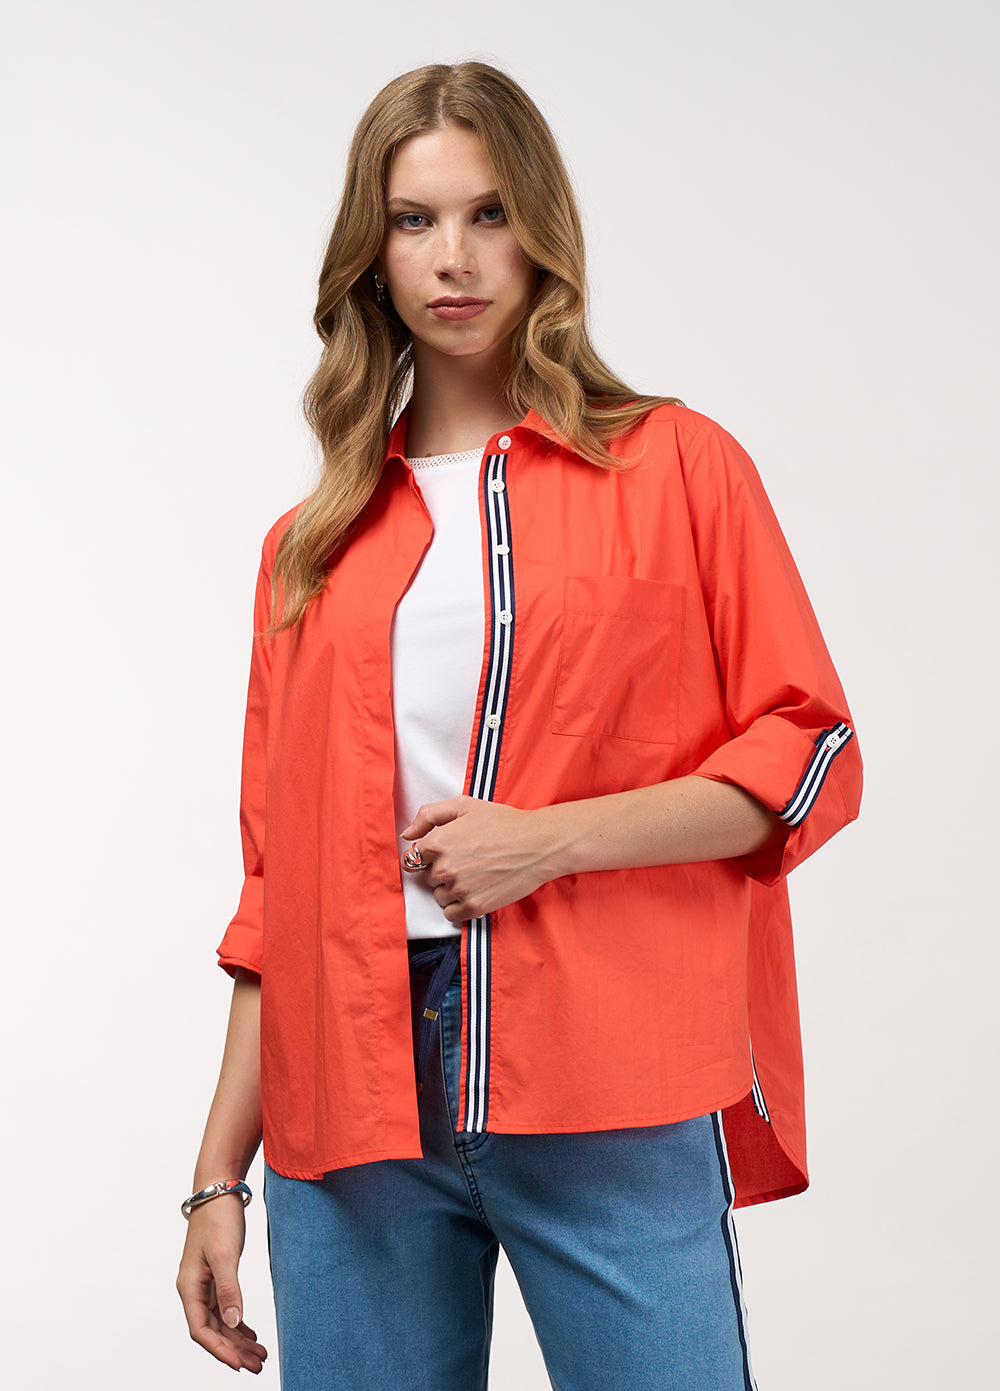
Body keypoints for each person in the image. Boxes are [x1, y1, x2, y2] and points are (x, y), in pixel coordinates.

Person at [176, 60, 862, 1391]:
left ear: (542, 232)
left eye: (490, 213)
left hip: (606, 1077)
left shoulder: (674, 466)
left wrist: (547, 841)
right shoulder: (308, 548)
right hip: (349, 1103)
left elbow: (808, 752)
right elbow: (275, 895)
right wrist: (217, 1180)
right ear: (371, 254)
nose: (456, 257)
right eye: (415, 219)